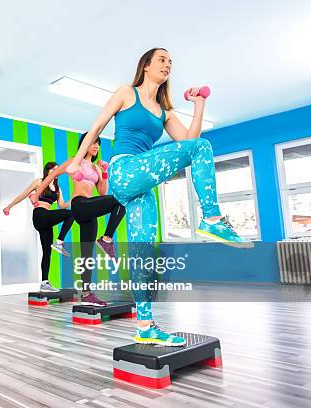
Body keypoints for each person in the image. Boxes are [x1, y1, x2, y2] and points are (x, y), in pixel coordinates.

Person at [68, 48, 251, 346]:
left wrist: (200, 104)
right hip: (126, 169)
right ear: (146, 66)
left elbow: (188, 143)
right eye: (162, 60)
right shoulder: (127, 93)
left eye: (171, 62)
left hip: (142, 182)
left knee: (143, 252)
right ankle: (213, 218)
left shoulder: (164, 111)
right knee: (203, 147)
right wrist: (77, 159)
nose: (168, 65)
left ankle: (145, 324)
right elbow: (98, 126)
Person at [33, 134, 125, 306]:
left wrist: (104, 172)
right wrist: (37, 194)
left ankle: (87, 293)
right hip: (80, 204)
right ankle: (106, 239)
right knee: (120, 199)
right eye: (93, 142)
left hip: (89, 210)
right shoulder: (75, 161)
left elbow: (102, 193)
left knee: (87, 254)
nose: (96, 146)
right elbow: (51, 177)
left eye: (98, 143)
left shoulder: (97, 168)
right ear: (84, 144)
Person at [3, 162, 74, 292]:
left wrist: (74, 198)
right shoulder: (39, 182)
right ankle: (59, 242)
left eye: (58, 170)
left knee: (47, 252)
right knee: (70, 215)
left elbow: (62, 205)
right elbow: (24, 194)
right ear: (47, 171)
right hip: (40, 215)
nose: (55, 172)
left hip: (47, 219)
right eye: (53, 169)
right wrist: (9, 206)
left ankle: (44, 282)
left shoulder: (58, 189)